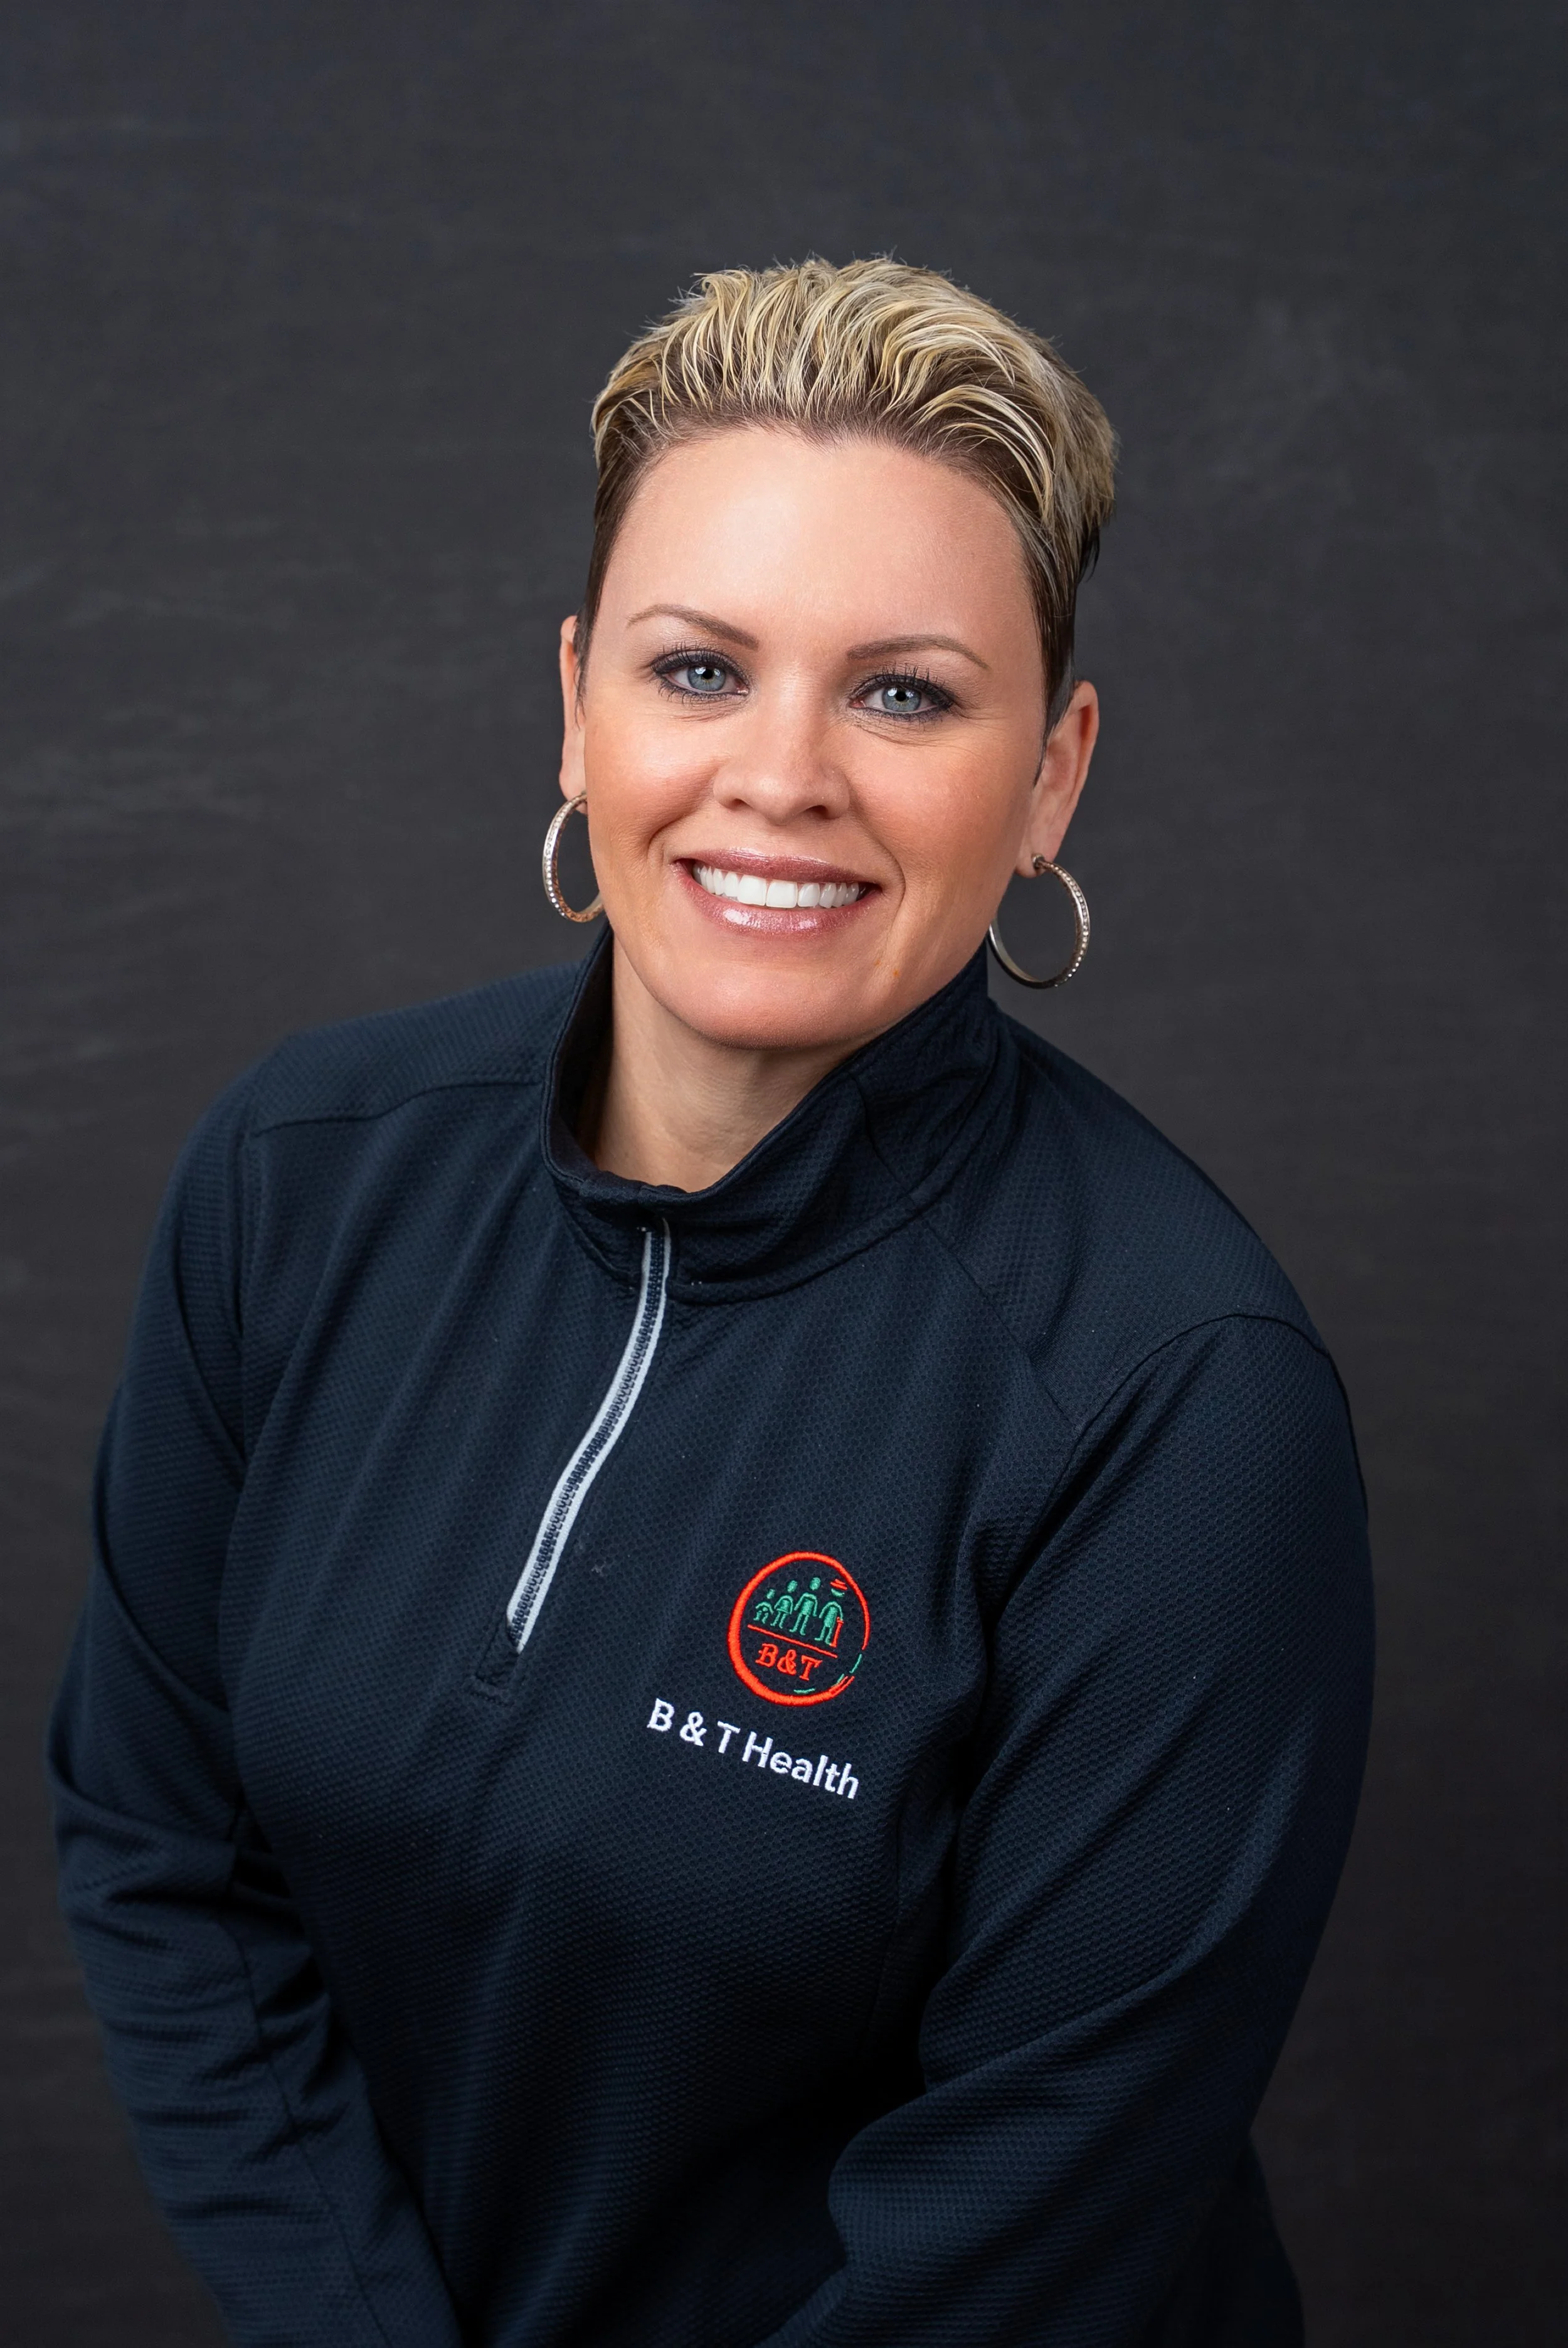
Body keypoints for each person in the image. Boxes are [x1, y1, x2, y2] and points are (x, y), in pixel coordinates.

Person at [49, 258, 1374, 2347]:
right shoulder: (299, 1179)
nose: (781, 775)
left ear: (1052, 776)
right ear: (575, 699)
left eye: (906, 693)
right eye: (696, 668)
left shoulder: (1174, 1402)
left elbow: (1021, 2222)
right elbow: (162, 1851)